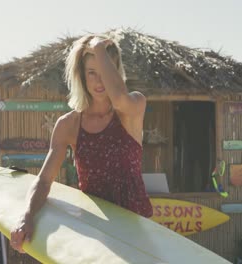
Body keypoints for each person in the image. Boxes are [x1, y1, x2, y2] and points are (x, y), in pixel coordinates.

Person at [10, 34, 153, 253]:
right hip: (97, 232)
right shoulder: (69, 125)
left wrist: (97, 47)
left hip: (136, 230)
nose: (99, 81)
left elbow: (119, 99)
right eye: (91, 73)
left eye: (105, 71)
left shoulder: (132, 109)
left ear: (115, 73)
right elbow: (44, 181)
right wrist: (27, 215)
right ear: (81, 76)